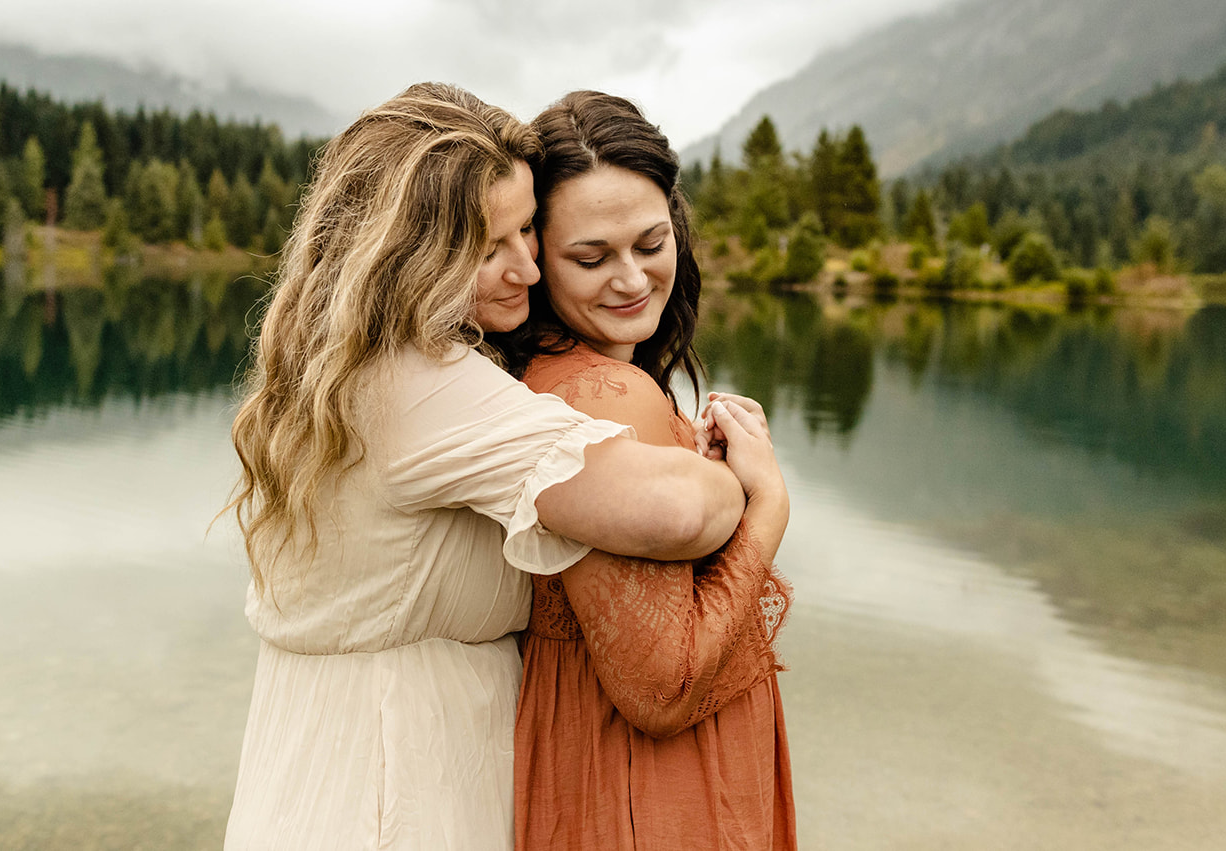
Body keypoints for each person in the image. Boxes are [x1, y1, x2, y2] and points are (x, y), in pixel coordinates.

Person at [221, 82, 774, 851]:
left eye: (525, 232)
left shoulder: (347, 364)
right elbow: (677, 511)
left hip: (326, 774)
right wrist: (753, 485)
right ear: (406, 254)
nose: (528, 269)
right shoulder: (420, 385)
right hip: (395, 797)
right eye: (487, 249)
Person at [498, 91, 796, 850]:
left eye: (652, 243)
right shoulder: (606, 394)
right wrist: (767, 504)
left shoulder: (564, 378)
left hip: (610, 774)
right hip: (652, 793)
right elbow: (664, 686)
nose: (631, 280)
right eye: (591, 258)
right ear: (536, 259)